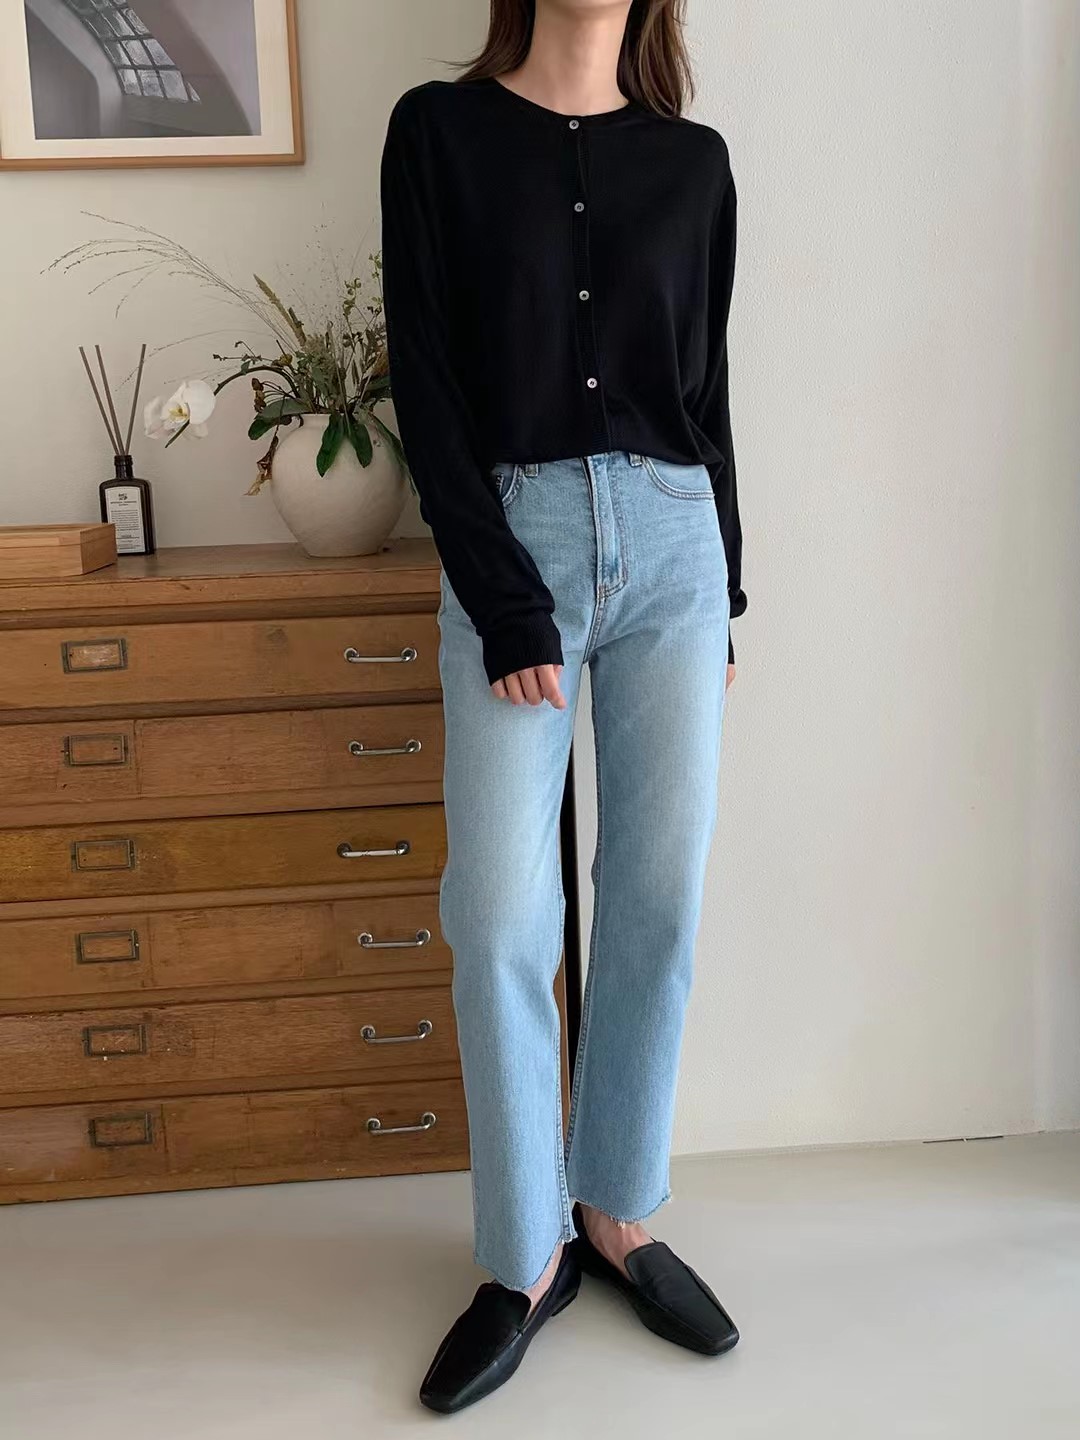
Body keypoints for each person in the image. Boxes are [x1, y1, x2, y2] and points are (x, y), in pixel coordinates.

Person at [380, 0, 746, 1413]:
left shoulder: (694, 163)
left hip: (672, 547)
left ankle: (616, 1208)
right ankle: (523, 1252)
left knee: (658, 895)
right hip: (512, 541)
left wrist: (727, 587)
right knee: (498, 915)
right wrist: (505, 595)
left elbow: (708, 388)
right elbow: (426, 376)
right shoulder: (438, 132)